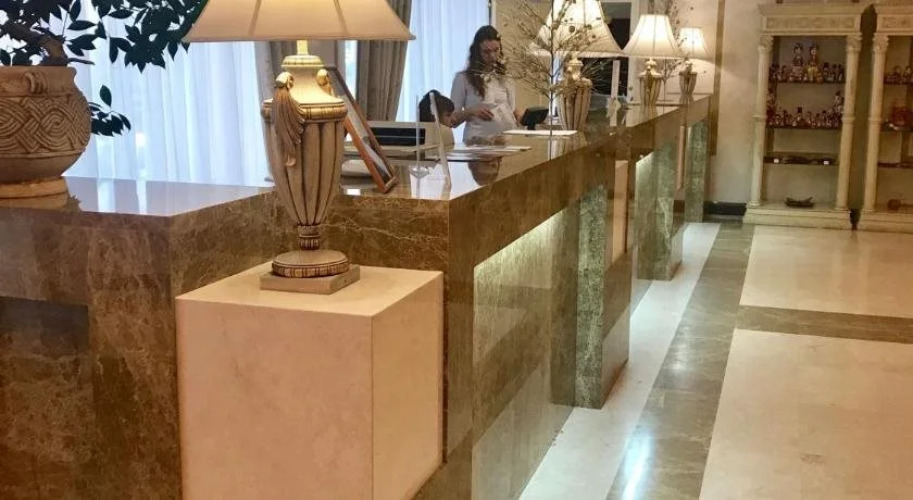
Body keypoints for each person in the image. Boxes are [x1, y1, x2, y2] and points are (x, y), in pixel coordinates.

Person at [450, 25, 523, 144]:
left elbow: (511, 111)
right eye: (486, 52)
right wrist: (471, 111)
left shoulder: (506, 78)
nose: (492, 56)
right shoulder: (462, 79)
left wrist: (519, 115)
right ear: (477, 52)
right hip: (476, 142)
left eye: (496, 50)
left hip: (503, 142)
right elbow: (452, 120)